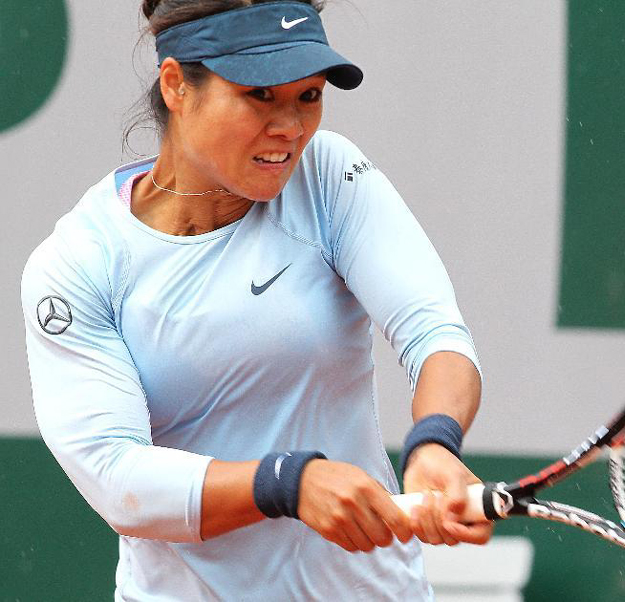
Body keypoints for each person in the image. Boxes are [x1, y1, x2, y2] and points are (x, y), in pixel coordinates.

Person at [20, 0, 491, 599]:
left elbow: (435, 335)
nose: (290, 127)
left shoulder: (329, 176)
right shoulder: (77, 266)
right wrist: (286, 483)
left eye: (309, 97)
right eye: (259, 95)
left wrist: (435, 442)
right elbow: (116, 478)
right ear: (176, 86)